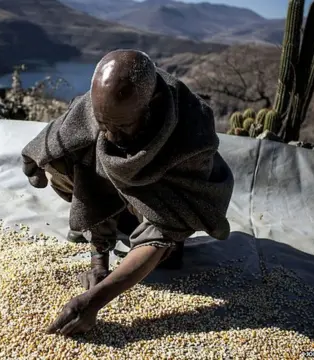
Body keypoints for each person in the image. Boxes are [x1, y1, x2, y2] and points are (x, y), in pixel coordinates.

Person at [21, 49, 234, 336]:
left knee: (164, 244)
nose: (110, 136)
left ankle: (164, 249)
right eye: (104, 125)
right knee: (70, 154)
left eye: (121, 127)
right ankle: (97, 230)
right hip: (120, 200)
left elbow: (166, 224)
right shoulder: (105, 109)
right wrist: (99, 262)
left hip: (158, 207)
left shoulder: (191, 136)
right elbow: (58, 136)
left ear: (152, 105)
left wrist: (95, 301)